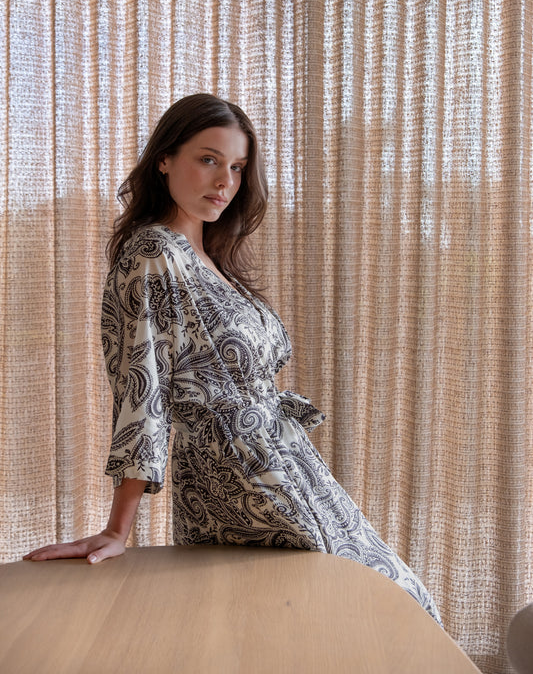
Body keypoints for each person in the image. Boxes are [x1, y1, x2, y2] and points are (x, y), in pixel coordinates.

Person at [24, 93, 442, 625]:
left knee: (390, 602)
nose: (224, 181)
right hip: (238, 476)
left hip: (289, 462)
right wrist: (117, 529)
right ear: (164, 159)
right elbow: (142, 389)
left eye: (238, 168)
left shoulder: (213, 260)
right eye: (208, 159)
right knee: (363, 610)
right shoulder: (154, 253)